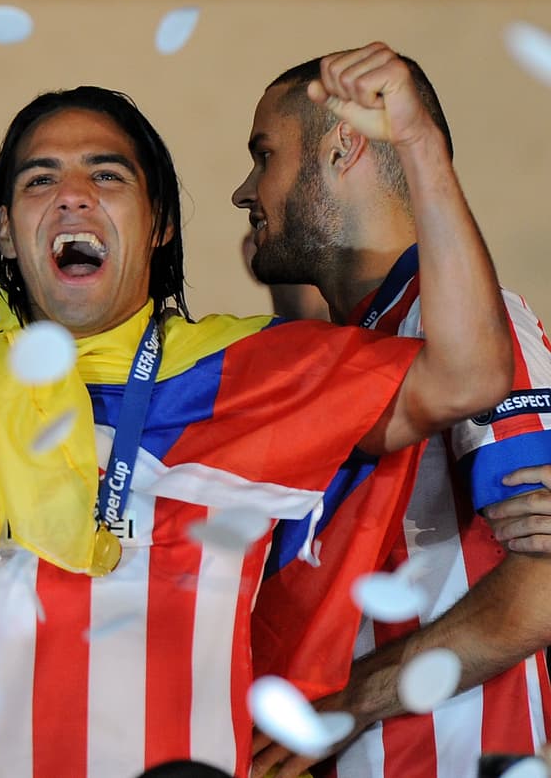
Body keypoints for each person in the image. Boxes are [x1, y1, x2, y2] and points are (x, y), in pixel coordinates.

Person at [0, 34, 512, 776]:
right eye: (39, 180)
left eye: (107, 176)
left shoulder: (251, 369)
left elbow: (469, 373)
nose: (73, 194)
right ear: (8, 238)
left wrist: (418, 145)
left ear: (160, 226)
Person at [236, 45, 551, 777]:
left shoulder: (465, 324)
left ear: (345, 145)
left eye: (264, 154)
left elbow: (541, 586)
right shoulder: (349, 347)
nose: (245, 190)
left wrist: (352, 699)